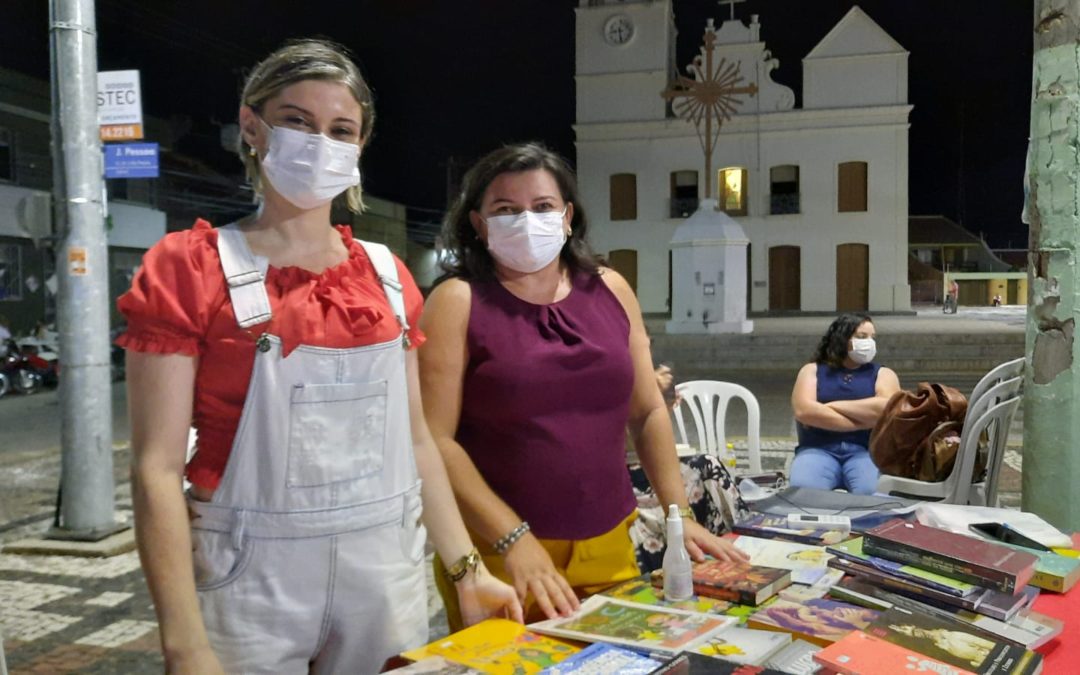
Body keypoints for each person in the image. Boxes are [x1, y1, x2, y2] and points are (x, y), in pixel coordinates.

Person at [118, 39, 520, 674]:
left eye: (341, 130)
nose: (320, 144)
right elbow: (155, 470)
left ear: (359, 148)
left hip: (383, 571)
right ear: (252, 127)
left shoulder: (388, 277)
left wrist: (466, 569)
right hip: (248, 580)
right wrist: (185, 641)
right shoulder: (189, 268)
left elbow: (415, 441)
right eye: (297, 122)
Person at [419, 142, 747, 630]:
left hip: (611, 540)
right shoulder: (457, 300)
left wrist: (679, 514)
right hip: (502, 556)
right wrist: (514, 540)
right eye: (505, 210)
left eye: (542, 206)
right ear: (478, 223)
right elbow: (436, 439)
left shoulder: (610, 288)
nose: (526, 220)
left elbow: (648, 410)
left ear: (568, 216)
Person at [790, 313, 900, 494]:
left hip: (866, 453)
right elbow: (805, 412)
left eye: (872, 338)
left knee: (874, 494)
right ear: (842, 339)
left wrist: (829, 407)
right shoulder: (812, 371)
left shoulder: (884, 374)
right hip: (817, 450)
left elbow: (887, 410)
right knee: (804, 494)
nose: (869, 343)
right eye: (861, 337)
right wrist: (865, 420)